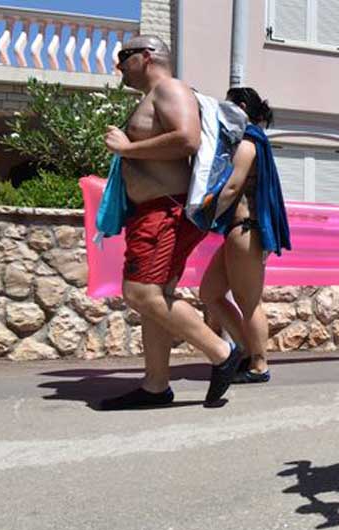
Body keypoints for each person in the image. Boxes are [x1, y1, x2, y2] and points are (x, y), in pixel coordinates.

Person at [99, 35, 242, 410]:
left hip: (166, 212)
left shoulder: (169, 89)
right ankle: (155, 386)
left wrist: (127, 148)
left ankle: (222, 353)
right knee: (155, 298)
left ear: (145, 57)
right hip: (154, 211)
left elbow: (187, 139)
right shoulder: (153, 96)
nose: (119, 66)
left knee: (140, 293)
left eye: (123, 57)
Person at [199, 87, 291, 384]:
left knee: (249, 302)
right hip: (238, 232)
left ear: (239, 106)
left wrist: (203, 212)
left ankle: (259, 365)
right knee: (209, 293)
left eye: (228, 105)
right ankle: (246, 351)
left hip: (244, 230)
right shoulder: (247, 141)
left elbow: (231, 187)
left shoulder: (248, 143)